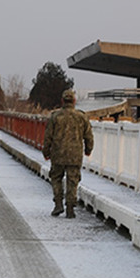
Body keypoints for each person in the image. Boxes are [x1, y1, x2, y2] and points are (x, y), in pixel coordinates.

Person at [41, 90, 93, 218]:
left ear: (62, 101)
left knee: (56, 178)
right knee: (73, 180)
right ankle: (70, 208)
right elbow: (89, 136)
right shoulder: (82, 116)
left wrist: (46, 151)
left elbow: (48, 136)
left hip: (58, 154)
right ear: (74, 101)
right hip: (75, 155)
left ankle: (58, 204)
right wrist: (88, 150)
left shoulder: (55, 116)